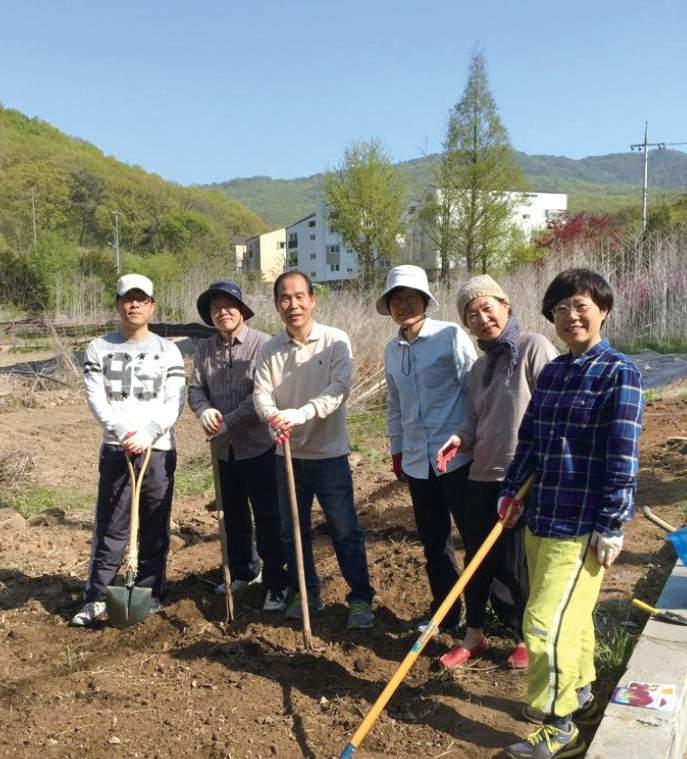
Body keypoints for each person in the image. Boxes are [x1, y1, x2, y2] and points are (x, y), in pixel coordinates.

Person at [498, 269, 644, 759]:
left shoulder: (620, 372)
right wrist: (511, 489)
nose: (571, 316)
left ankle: (559, 727)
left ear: (602, 309)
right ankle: (579, 696)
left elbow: (622, 456)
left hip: (582, 524)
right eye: (560, 310)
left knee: (543, 624)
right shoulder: (556, 372)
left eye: (580, 306)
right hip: (543, 515)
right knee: (572, 618)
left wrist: (612, 523)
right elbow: (532, 439)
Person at [436, 275, 558, 669]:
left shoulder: (533, 346)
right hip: (481, 475)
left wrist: (542, 464)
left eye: (487, 307)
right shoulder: (479, 367)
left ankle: (524, 635)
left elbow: (554, 407)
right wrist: (459, 439)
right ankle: (474, 636)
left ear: (505, 305)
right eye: (472, 314)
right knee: (476, 559)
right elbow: (474, 420)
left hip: (521, 477)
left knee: (512, 563)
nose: (482, 317)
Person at [253, 271, 375, 630]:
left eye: (299, 296)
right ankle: (306, 593)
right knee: (292, 531)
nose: (293, 305)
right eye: (285, 298)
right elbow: (261, 393)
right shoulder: (269, 349)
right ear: (277, 305)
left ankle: (360, 599)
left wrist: (299, 414)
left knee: (344, 529)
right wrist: (272, 416)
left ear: (312, 300)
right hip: (286, 456)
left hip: (329, 456)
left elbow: (339, 389)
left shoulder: (335, 341)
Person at [71, 274, 186, 626]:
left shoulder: (169, 350)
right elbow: (96, 397)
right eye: (127, 299)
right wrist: (122, 431)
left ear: (152, 305)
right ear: (118, 304)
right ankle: (96, 596)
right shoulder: (98, 348)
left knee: (155, 523)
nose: (134, 304)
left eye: (141, 299)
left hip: (158, 449)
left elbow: (175, 400)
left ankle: (150, 592)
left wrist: (150, 431)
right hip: (116, 447)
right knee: (111, 525)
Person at [379, 264, 476, 634]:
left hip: (458, 459)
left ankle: (497, 617)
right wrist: (398, 449)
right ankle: (447, 613)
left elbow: (473, 392)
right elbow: (395, 405)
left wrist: (475, 440)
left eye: (411, 298)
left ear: (425, 301)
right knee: (434, 543)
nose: (404, 305)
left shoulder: (450, 336)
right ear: (389, 307)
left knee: (475, 538)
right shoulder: (392, 351)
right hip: (419, 463)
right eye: (396, 300)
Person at [188, 280, 289, 612]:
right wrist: (204, 411)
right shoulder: (204, 350)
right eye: (216, 308)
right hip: (223, 450)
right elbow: (195, 389)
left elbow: (262, 395)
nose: (223, 312)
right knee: (232, 515)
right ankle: (244, 571)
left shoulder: (263, 345)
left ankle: (277, 582)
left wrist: (228, 421)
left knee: (268, 515)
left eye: (228, 306)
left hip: (258, 446)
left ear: (242, 310)